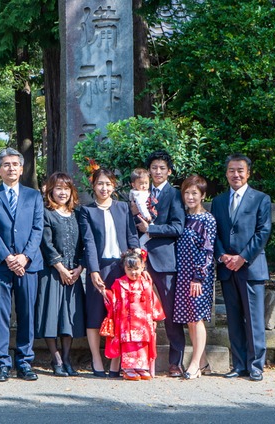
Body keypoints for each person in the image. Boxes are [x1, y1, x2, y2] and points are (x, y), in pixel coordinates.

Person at [0, 148, 44, 382]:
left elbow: (38, 228)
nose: (11, 168)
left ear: (22, 168)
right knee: (1, 314)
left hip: (28, 264)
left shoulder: (34, 196)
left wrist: (25, 256)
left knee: (27, 313)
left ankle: (25, 361)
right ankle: (2, 363)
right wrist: (8, 257)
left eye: (15, 164)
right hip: (1, 264)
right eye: (6, 164)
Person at [213, 153, 272, 382]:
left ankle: (256, 365)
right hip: (227, 268)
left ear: (248, 173)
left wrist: (243, 257)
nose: (235, 174)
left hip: (251, 267)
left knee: (254, 319)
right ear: (226, 173)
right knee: (234, 318)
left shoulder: (261, 199)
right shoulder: (218, 201)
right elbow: (215, 233)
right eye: (231, 170)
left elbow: (263, 232)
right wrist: (222, 255)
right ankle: (238, 364)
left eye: (240, 170)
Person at [79, 166, 140, 377]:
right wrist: (93, 270)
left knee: (120, 314)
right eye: (100, 184)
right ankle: (96, 359)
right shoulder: (86, 211)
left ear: (114, 186)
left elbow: (132, 236)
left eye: (108, 184)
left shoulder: (123, 208)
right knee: (95, 313)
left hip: (121, 267)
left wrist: (136, 261)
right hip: (99, 267)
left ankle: (115, 362)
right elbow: (88, 242)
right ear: (93, 186)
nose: (104, 188)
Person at [132, 149, 187, 376]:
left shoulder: (174, 195)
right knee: (137, 310)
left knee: (171, 313)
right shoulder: (139, 193)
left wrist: (151, 229)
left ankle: (176, 361)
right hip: (140, 260)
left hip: (165, 261)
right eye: (154, 167)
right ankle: (138, 359)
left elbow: (178, 227)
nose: (157, 171)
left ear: (169, 171)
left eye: (162, 168)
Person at [34, 172, 85, 377]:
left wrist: (80, 268)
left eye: (66, 189)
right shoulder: (46, 213)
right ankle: (56, 359)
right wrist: (60, 268)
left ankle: (66, 358)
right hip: (52, 273)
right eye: (58, 189)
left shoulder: (77, 214)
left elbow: (84, 244)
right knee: (51, 315)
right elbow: (46, 244)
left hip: (73, 273)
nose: (62, 193)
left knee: (68, 317)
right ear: (50, 191)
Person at [173, 174, 217, 379]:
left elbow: (208, 251)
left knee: (197, 318)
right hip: (182, 273)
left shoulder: (207, 219)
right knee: (190, 319)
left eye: (194, 193)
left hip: (198, 276)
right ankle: (203, 362)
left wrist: (198, 277)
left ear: (203, 195)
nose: (190, 197)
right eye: (187, 193)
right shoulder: (183, 217)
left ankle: (194, 364)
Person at [103, 248, 165, 381]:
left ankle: (141, 367)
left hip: (143, 322)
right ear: (124, 269)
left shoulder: (146, 284)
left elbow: (152, 300)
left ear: (142, 267)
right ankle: (128, 368)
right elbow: (114, 300)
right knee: (129, 344)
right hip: (126, 322)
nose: (133, 272)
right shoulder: (119, 283)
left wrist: (154, 318)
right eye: (129, 269)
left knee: (142, 344)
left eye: (136, 268)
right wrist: (105, 293)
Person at [127, 168, 155, 246]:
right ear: (133, 185)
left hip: (140, 216)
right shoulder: (139, 194)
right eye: (141, 183)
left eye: (146, 183)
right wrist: (146, 215)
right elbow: (141, 204)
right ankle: (141, 246)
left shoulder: (138, 192)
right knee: (151, 230)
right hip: (142, 217)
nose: (144, 186)